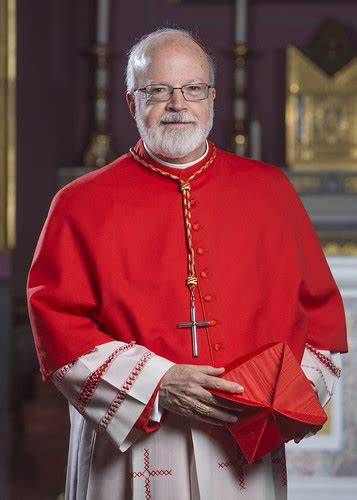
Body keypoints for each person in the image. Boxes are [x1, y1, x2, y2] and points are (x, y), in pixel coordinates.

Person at [27, 28, 348, 500]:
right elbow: (58, 330)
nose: (178, 104)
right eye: (157, 90)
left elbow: (321, 322)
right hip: (133, 445)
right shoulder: (79, 203)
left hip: (243, 439)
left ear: (212, 98)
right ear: (132, 102)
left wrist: (278, 396)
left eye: (192, 89)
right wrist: (159, 383)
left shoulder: (269, 192)